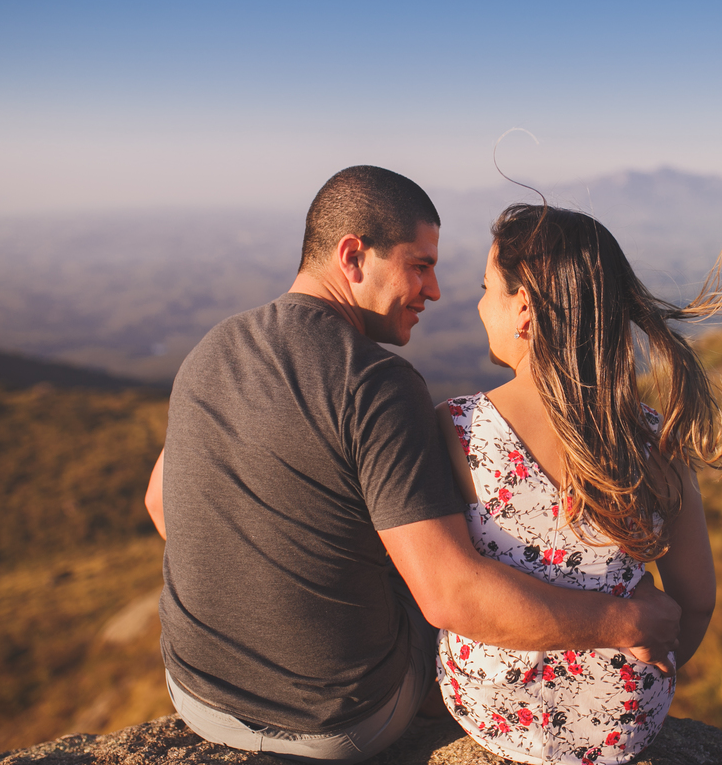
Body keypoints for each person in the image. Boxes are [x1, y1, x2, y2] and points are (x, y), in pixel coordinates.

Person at [149, 167, 684, 764]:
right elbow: (450, 597)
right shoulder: (376, 383)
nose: (433, 290)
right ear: (354, 256)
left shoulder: (213, 349)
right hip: (343, 722)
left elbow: (160, 503)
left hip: (194, 692)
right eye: (420, 265)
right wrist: (624, 622)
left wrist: (267, 574)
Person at [435, 204, 722, 765]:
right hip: (625, 720)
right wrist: (651, 666)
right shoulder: (654, 439)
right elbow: (698, 599)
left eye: (487, 287)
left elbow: (443, 588)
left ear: (523, 308)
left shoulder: (458, 429)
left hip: (499, 708)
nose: (476, 302)